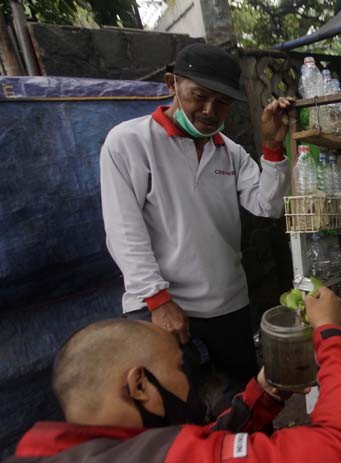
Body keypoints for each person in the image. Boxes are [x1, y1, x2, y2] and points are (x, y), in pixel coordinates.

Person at [99, 43, 291, 390]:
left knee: (245, 400)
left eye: (222, 102)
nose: (209, 110)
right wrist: (158, 301)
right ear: (172, 84)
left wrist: (272, 148)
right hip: (162, 305)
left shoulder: (229, 152)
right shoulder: (129, 142)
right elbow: (123, 230)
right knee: (175, 410)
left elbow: (268, 206)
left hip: (227, 302)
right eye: (198, 96)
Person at [5, 288, 341, 463]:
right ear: (139, 385)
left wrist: (264, 394)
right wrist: (331, 333)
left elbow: (205, 443)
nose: (188, 378)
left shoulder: (53, 452)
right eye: (178, 367)